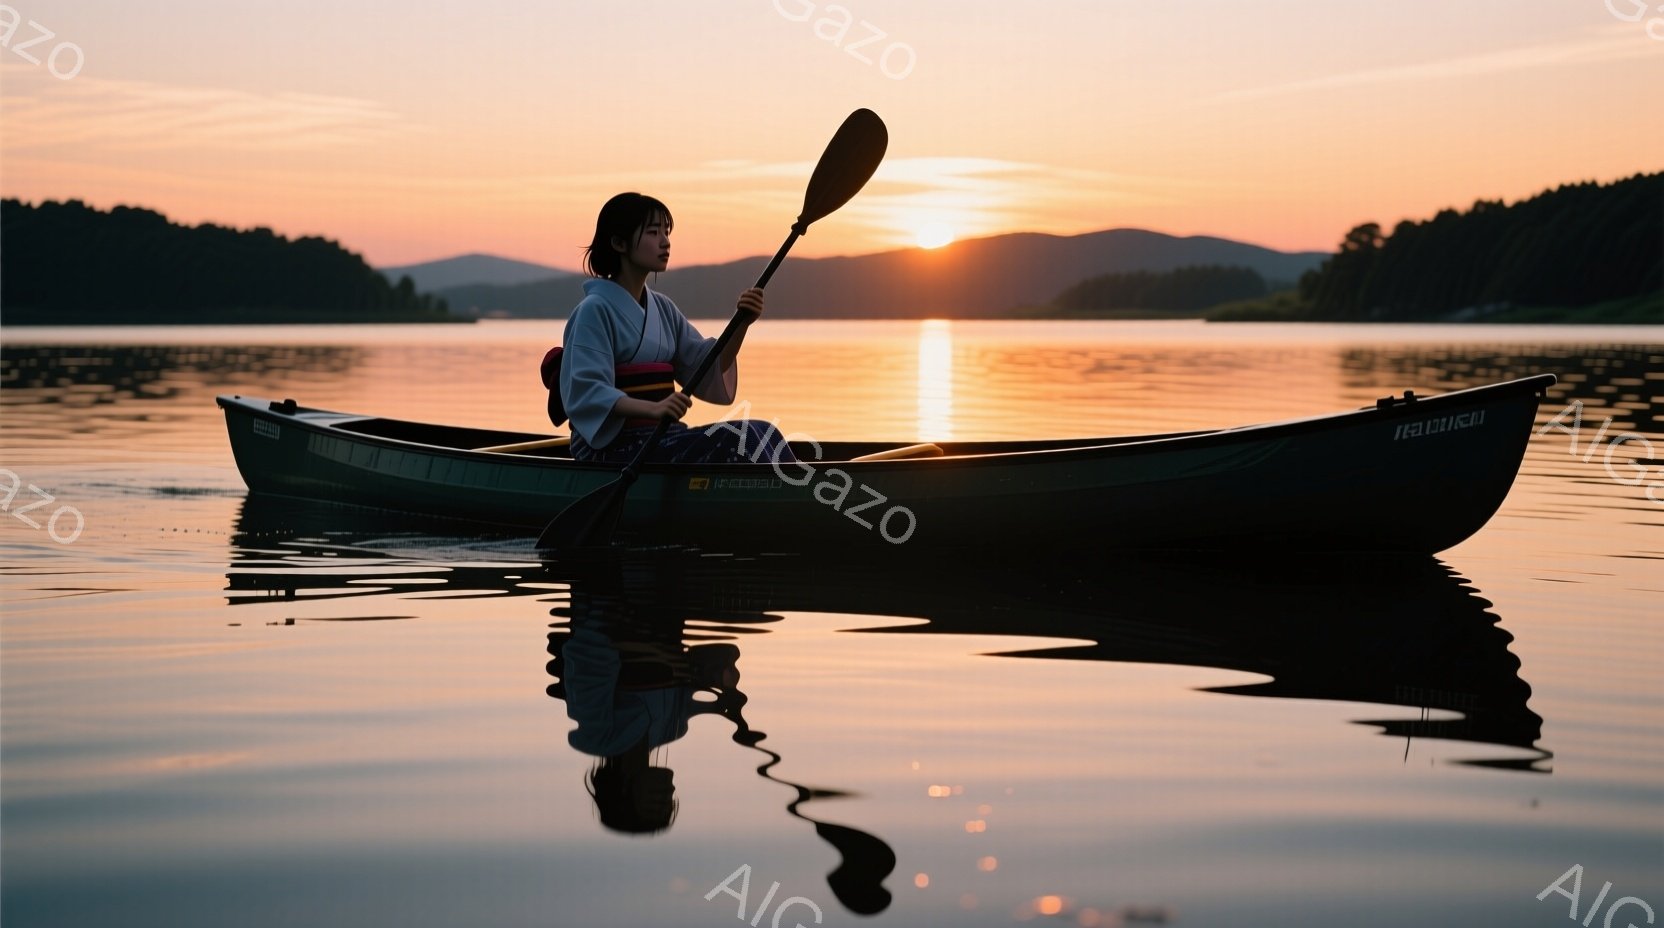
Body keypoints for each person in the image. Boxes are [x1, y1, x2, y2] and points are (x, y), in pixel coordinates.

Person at [559, 192, 793, 465]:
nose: (665, 242)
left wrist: (742, 323)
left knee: (764, 432)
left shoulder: (664, 309)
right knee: (738, 439)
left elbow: (706, 366)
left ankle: (797, 494)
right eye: (653, 232)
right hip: (611, 448)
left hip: (659, 436)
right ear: (619, 243)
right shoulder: (593, 310)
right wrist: (654, 408)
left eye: (666, 232)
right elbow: (587, 391)